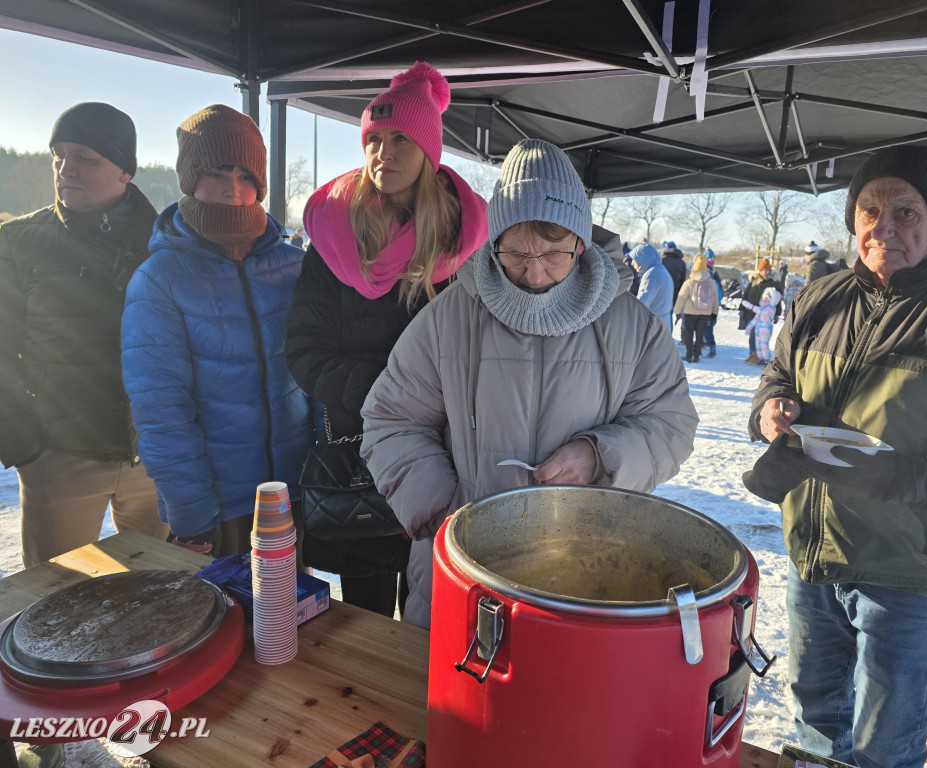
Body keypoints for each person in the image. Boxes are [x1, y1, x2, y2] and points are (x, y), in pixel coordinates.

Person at [742, 145, 927, 768]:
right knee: (815, 728)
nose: (883, 227)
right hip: (813, 554)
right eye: (870, 209)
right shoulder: (821, 297)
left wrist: (904, 479)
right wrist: (771, 410)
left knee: (883, 749)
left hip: (906, 570)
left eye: (905, 211)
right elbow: (778, 377)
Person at [360, 138, 698, 629]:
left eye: (553, 253)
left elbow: (672, 425)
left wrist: (598, 455)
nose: (535, 272)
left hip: (589, 574)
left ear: (580, 245)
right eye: (516, 252)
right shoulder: (449, 318)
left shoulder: (633, 326)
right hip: (463, 575)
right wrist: (444, 512)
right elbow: (390, 420)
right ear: (493, 241)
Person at [286, 62, 489, 617]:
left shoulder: (466, 245)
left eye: (400, 138)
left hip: (448, 457)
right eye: (374, 138)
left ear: (430, 151)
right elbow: (305, 353)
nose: (383, 152)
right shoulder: (331, 237)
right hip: (361, 456)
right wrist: (390, 398)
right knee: (368, 623)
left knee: (433, 617)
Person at [121, 104, 311, 557]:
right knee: (224, 624)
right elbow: (161, 411)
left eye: (247, 176)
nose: (233, 190)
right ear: (190, 179)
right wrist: (192, 514)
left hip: (292, 495)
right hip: (217, 509)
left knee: (289, 621)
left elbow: (315, 373)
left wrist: (321, 471)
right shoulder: (159, 279)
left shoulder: (294, 266)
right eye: (217, 172)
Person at [0, 102, 166, 568]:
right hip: (60, 457)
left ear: (124, 172)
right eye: (59, 155)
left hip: (154, 456)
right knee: (53, 608)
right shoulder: (17, 243)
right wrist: (27, 448)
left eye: (85, 157)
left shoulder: (165, 241)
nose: (66, 169)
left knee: (153, 596)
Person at [673, 252, 719, 363]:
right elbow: (715, 299)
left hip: (690, 312)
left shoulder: (689, 282)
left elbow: (681, 298)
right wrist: (714, 312)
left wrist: (677, 311)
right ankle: (697, 355)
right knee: (700, 335)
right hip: (705, 313)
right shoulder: (712, 283)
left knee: (688, 335)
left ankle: (689, 355)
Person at [738, 258, 782, 363]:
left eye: (766, 270)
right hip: (751, 313)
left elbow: (777, 300)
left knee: (758, 336)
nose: (764, 272)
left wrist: (777, 314)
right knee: (752, 335)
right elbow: (746, 295)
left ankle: (759, 356)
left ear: (770, 271)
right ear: (759, 270)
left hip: (764, 315)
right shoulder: (753, 281)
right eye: (762, 270)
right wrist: (742, 309)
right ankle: (752, 354)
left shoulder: (772, 284)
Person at [628, 241, 674, 328]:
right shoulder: (661, 270)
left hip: (654, 325)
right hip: (663, 323)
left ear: (642, 259)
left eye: (634, 260)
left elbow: (642, 304)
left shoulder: (652, 275)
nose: (632, 263)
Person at [745, 286, 780, 366]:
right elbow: (755, 319)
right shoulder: (762, 308)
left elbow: (763, 312)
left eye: (766, 298)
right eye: (764, 298)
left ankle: (767, 359)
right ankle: (761, 358)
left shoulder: (771, 308)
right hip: (758, 330)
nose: (764, 299)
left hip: (765, 330)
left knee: (764, 345)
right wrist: (749, 327)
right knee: (758, 344)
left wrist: (751, 306)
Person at [701, 249, 723, 358]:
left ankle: (711, 347)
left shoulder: (712, 274)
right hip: (707, 304)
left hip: (709, 305)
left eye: (712, 259)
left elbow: (718, 291)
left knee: (708, 327)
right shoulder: (707, 274)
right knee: (706, 327)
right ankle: (706, 344)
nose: (711, 260)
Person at [660, 240, 687, 313]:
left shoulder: (661, 260)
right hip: (675, 294)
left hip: (662, 293)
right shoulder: (682, 263)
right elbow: (683, 282)